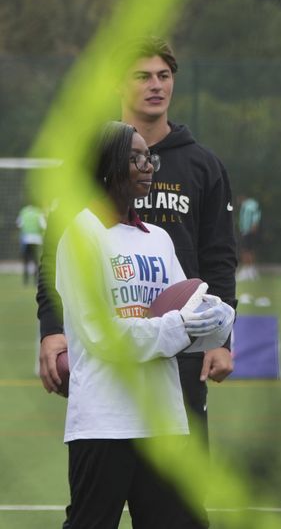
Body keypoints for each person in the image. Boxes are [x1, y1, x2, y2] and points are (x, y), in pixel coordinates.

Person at [36, 37, 237, 526]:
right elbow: (54, 259)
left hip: (174, 366)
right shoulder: (87, 176)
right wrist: (52, 326)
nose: (155, 85)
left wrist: (219, 334)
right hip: (110, 382)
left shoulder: (201, 165)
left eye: (163, 75)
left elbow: (218, 256)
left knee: (180, 510)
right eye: (142, 75)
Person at [17, 202, 46, 285]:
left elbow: (19, 225)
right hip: (36, 240)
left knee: (25, 260)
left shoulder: (23, 212)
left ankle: (25, 280)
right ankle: (35, 280)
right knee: (36, 261)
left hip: (26, 239)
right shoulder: (38, 212)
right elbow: (43, 225)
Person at [236, 196, 261, 281]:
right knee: (248, 250)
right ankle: (249, 269)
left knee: (245, 250)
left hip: (248, 231)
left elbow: (256, 214)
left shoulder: (250, 205)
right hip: (245, 231)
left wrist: (254, 224)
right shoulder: (246, 206)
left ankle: (247, 270)